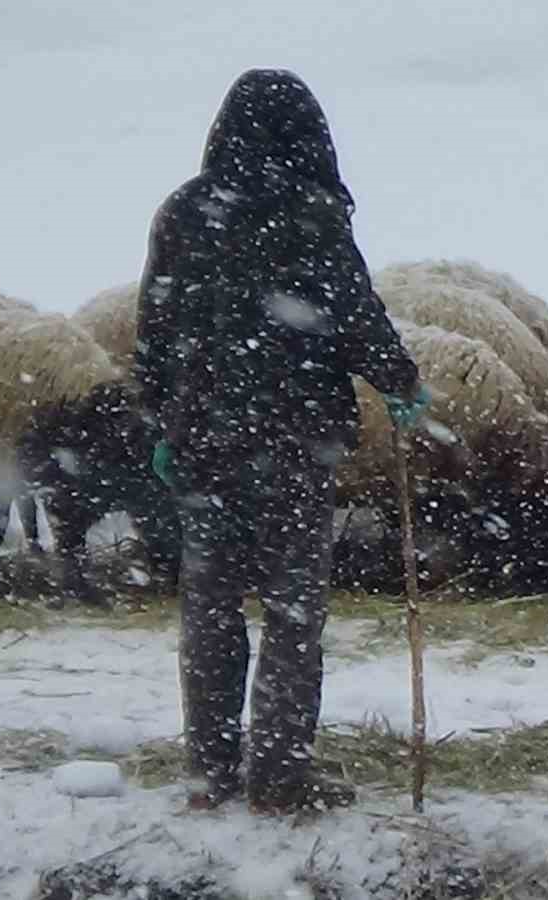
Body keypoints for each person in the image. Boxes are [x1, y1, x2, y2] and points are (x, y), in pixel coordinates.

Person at [134, 68, 430, 814]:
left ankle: (210, 774)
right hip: (295, 440)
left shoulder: (186, 209)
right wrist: (398, 380)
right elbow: (353, 311)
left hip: (205, 438)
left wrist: (163, 415)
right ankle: (277, 778)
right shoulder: (311, 213)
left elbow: (156, 325)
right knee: (293, 610)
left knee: (210, 604)